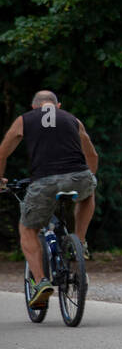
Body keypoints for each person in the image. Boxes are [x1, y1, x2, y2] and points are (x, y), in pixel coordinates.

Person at [0, 90, 99, 308]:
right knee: (88, 194)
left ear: (34, 107)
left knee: (27, 230)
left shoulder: (24, 120)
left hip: (44, 181)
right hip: (78, 176)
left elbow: (2, 153)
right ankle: (79, 242)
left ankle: (41, 283)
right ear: (58, 106)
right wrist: (89, 177)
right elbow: (92, 155)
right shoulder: (73, 119)